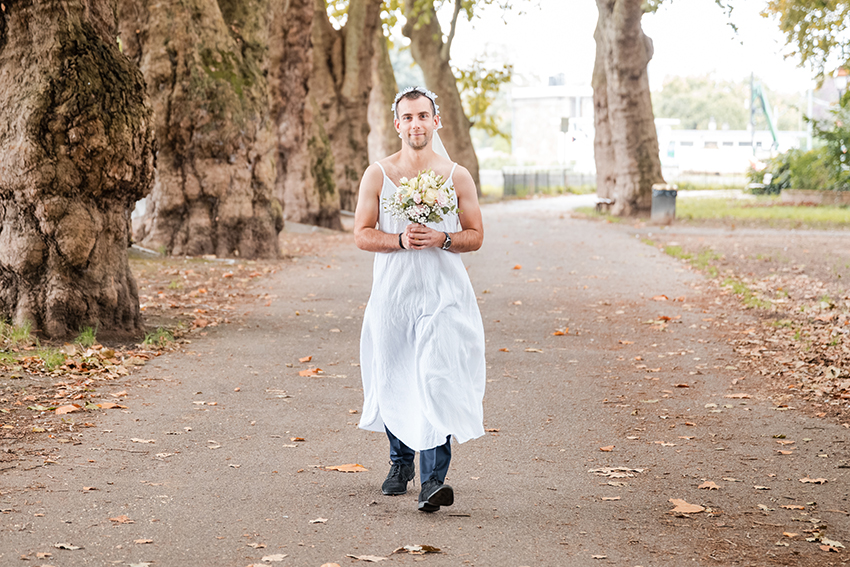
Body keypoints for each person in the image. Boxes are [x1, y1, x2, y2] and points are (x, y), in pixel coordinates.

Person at [354, 87, 486, 513]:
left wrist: (443, 237)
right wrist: (399, 239)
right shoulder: (378, 174)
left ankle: (433, 482)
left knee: (436, 375)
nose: (416, 124)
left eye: (423, 116)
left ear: (436, 121)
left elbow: (476, 236)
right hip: (394, 295)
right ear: (397, 124)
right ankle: (400, 463)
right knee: (395, 374)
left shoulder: (456, 176)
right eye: (407, 117)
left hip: (444, 295)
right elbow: (361, 233)